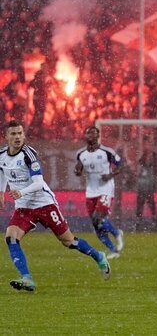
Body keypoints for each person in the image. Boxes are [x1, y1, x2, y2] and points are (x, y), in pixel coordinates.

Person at [2, 120, 111, 291]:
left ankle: (99, 256)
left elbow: (38, 183)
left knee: (68, 241)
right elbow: (2, 172)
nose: (17, 137)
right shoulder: (2, 156)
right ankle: (27, 278)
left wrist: (21, 192)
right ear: (6, 136)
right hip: (24, 208)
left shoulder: (28, 155)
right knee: (10, 238)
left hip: (45, 204)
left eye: (20, 133)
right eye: (13, 134)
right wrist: (2, 193)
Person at [74, 125, 125, 259]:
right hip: (91, 191)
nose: (90, 135)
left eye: (93, 133)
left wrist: (110, 175)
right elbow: (78, 168)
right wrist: (77, 171)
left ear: (98, 136)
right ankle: (113, 250)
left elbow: (121, 164)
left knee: (98, 217)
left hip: (106, 188)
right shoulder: (81, 154)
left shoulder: (107, 152)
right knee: (96, 225)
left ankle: (117, 233)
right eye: (88, 133)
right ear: (85, 136)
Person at [135, 150, 157, 231]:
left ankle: (155, 223)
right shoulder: (141, 165)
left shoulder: (153, 166)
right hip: (142, 189)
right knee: (140, 208)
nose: (148, 158)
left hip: (149, 190)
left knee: (152, 207)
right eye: (147, 157)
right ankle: (138, 224)